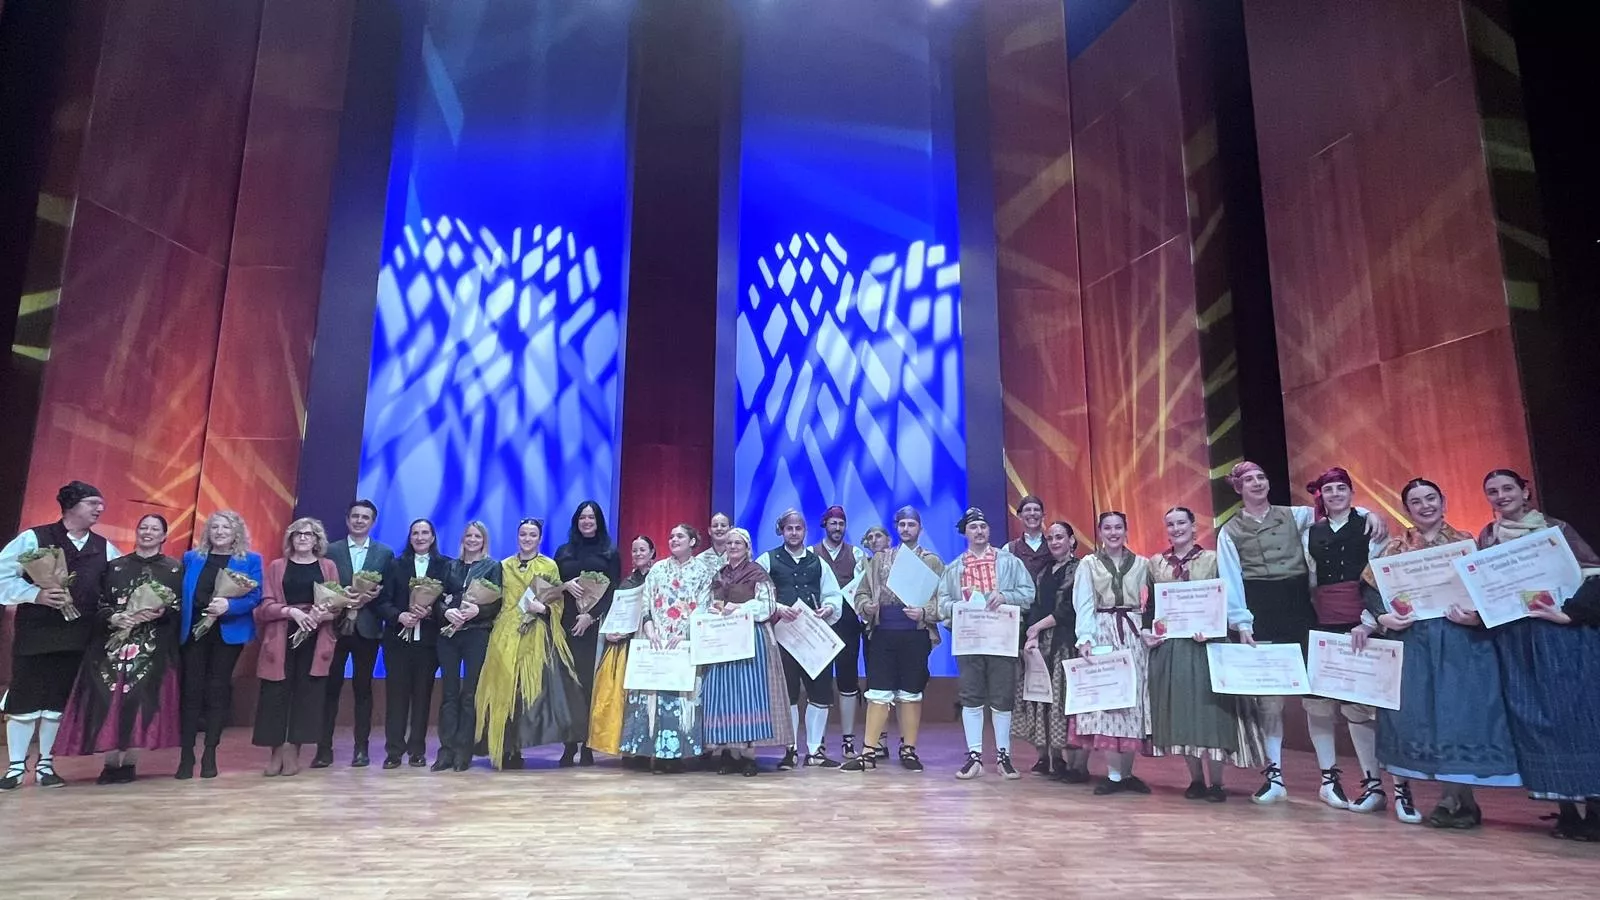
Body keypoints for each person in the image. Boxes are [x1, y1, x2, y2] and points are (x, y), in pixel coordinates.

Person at [1351, 477, 1520, 828]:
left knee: (1458, 718)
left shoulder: (1466, 545)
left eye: (1431, 498)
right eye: (1416, 501)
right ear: (1406, 509)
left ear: (1444, 502)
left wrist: (1476, 618)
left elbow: (1493, 591)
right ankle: (1450, 799)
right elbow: (1369, 589)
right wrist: (1384, 617)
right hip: (1416, 642)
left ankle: (1463, 800)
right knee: (1427, 719)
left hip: (1461, 644)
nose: (1425, 505)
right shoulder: (1395, 549)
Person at [1216, 460, 1384, 804]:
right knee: (1270, 700)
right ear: (1239, 489)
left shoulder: (1297, 516)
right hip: (1261, 611)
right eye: (1249, 480)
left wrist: (1369, 513)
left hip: (1300, 609)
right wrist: (1242, 623)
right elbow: (1231, 579)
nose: (1258, 483)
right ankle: (1274, 777)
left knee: (1316, 698)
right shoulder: (1229, 531)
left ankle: (1328, 779)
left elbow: (1339, 511)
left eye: (1262, 477)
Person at [1475, 468, 1600, 840]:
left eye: (1507, 488)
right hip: (1516, 639)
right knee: (1534, 720)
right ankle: (1564, 808)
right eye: (1493, 491)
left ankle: (1594, 808)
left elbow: (1593, 573)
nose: (1501, 496)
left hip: (1561, 639)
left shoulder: (1554, 529)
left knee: (1577, 719)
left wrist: (1570, 614)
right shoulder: (1487, 536)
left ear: (1524, 490)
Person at [0, 481, 121, 791]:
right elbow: (2, 574)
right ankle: (15, 767)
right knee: (25, 700)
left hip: (79, 636)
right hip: (36, 633)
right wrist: (34, 594)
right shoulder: (34, 538)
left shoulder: (104, 547)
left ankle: (45, 765)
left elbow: (117, 586)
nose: (99, 508)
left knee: (57, 703)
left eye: (100, 503)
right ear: (71, 506)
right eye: (93, 502)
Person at [1144, 507, 1262, 801]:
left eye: (1181, 522)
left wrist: (1218, 627)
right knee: (1182, 713)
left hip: (1208, 644)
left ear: (1194, 526)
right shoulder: (1156, 564)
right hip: (1173, 648)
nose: (1176, 528)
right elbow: (1151, 609)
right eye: (1170, 524)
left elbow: (1227, 598)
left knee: (1212, 714)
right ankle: (1195, 779)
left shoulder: (1213, 559)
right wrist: (1150, 631)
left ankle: (1218, 782)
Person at [57, 513, 178, 785]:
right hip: (112, 647)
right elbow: (97, 603)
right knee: (109, 702)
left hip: (152, 648)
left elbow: (179, 608)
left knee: (141, 702)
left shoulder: (174, 569)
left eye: (154, 529)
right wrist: (113, 617)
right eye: (143, 527)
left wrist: (161, 613)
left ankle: (131, 763)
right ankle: (110, 763)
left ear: (163, 536)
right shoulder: (115, 566)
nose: (147, 532)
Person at [1301, 468, 1390, 811]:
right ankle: (1328, 778)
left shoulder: (1370, 525)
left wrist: (1369, 621)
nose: (1335, 493)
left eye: (1342, 488)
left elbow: (1379, 572)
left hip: (1361, 621)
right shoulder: (1311, 532)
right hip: (1323, 622)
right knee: (1319, 703)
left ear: (1352, 492)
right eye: (1328, 489)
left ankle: (1373, 784)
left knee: (1361, 706)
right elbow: (1309, 578)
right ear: (1320, 495)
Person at [477, 518, 588, 768]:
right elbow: (495, 598)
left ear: (540, 539)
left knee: (527, 692)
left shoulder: (549, 565)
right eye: (523, 534)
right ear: (518, 537)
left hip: (535, 633)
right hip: (505, 632)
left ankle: (521, 745)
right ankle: (506, 748)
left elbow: (557, 600)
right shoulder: (503, 565)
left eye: (532, 535)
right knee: (504, 689)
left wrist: (545, 609)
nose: (527, 539)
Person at [844, 506, 943, 772]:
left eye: (912, 524)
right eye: (902, 525)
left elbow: (943, 601)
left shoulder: (932, 561)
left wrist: (924, 612)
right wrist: (867, 607)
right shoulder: (879, 559)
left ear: (919, 529)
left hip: (915, 634)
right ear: (896, 529)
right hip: (883, 634)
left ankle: (908, 749)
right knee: (878, 691)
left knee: (911, 692)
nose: (907, 529)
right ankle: (868, 752)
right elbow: (861, 593)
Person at [938, 507, 1034, 781]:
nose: (979, 531)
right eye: (973, 528)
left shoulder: (1008, 562)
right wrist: (960, 605)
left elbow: (1028, 593)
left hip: (1001, 638)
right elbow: (941, 603)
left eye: (982, 526)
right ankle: (975, 755)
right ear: (965, 533)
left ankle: (1004, 755)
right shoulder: (955, 567)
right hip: (969, 640)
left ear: (988, 530)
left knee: (1002, 696)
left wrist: (1005, 596)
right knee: (971, 695)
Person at [176, 509, 263, 780]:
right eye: (215, 527)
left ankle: (210, 754)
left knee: (217, 690)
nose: (220, 532)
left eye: (226, 527)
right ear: (208, 532)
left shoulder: (250, 560)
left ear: (236, 532)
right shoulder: (192, 558)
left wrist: (230, 605)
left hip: (228, 634)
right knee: (191, 692)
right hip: (194, 633)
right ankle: (186, 755)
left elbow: (256, 596)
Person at [757, 509, 848, 769]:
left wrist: (828, 608)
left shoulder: (817, 562)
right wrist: (776, 608)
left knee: (820, 692)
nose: (794, 533)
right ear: (781, 531)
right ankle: (791, 749)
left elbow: (832, 593)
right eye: (789, 528)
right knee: (789, 694)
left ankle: (815, 750)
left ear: (805, 531)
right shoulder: (767, 560)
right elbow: (759, 595)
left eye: (798, 528)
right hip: (783, 638)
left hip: (813, 637)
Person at [251, 518, 340, 777]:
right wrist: (291, 612)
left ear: (317, 540)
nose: (303, 538)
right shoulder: (277, 566)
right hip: (281, 635)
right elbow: (264, 606)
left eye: (309, 534)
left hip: (315, 637)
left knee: (306, 694)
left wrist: (320, 615)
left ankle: (293, 750)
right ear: (290, 539)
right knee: (276, 694)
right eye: (298, 534)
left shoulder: (328, 566)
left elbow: (337, 604)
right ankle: (276, 751)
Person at [1072, 511, 1152, 795]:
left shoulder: (1142, 563)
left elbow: (1154, 601)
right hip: (1103, 630)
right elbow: (1083, 602)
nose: (1113, 532)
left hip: (1132, 632)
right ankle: (1114, 774)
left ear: (1126, 530)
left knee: (1132, 702)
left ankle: (1128, 773)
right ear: (1100, 531)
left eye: (1118, 527)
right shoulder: (1089, 563)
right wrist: (1085, 637)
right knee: (1107, 701)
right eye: (1108, 528)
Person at [620, 524, 711, 772]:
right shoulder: (658, 570)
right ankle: (644, 751)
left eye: (680, 536)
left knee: (679, 696)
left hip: (684, 642)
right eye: (670, 536)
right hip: (656, 640)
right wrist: (648, 627)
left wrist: (684, 633)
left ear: (693, 541)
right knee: (651, 695)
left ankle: (674, 755)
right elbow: (646, 601)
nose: (673, 539)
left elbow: (704, 606)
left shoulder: (703, 572)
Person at [702, 528, 794, 775]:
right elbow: (712, 602)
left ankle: (749, 754)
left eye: (738, 543)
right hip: (724, 638)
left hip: (751, 638)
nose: (732, 546)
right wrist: (714, 611)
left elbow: (768, 606)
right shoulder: (720, 575)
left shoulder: (757, 573)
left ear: (747, 547)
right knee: (726, 694)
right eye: (729, 542)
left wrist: (741, 608)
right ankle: (729, 752)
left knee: (749, 693)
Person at [313, 499, 394, 769]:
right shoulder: (330, 550)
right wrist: (341, 597)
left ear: (373, 522)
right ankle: (324, 749)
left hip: (367, 629)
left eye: (365, 517)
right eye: (355, 516)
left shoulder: (384, 553)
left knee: (363, 689)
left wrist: (371, 597)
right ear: (348, 520)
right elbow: (323, 585)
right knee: (329, 689)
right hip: (334, 627)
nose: (360, 521)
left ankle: (362, 749)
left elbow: (387, 591)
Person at [374, 518, 451, 768]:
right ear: (410, 537)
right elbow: (382, 601)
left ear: (432, 537)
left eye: (425, 532)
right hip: (397, 642)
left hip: (429, 643)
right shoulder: (395, 565)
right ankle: (394, 751)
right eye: (415, 533)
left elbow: (449, 601)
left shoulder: (445, 565)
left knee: (422, 696)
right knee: (396, 697)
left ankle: (417, 749)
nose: (420, 537)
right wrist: (399, 616)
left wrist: (431, 613)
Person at [553, 501, 623, 768]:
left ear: (599, 521)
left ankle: (588, 745)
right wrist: (563, 585)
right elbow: (552, 586)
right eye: (582, 517)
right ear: (576, 521)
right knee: (568, 685)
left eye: (591, 517)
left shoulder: (609, 551)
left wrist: (591, 616)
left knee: (589, 686)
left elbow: (614, 589)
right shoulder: (564, 551)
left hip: (594, 626)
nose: (586, 521)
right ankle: (568, 744)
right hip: (565, 623)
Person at [1017, 520, 1082, 780]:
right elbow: (1036, 606)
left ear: (1071, 540)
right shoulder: (1043, 572)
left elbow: (1068, 608)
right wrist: (1030, 635)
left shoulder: (1079, 569)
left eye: (1060, 537)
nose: (1055, 542)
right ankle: (1044, 756)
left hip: (1065, 642)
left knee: (1061, 700)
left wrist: (1037, 628)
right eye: (1051, 538)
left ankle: (1063, 757)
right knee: (1040, 698)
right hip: (1041, 643)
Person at [434, 521, 501, 772]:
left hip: (476, 634)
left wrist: (478, 611)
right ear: (463, 539)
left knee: (470, 694)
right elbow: (436, 599)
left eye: (477, 536)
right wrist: (446, 611)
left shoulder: (493, 567)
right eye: (469, 535)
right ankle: (446, 751)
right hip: (449, 635)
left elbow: (497, 602)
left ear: (484, 540)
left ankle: (464, 751)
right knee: (449, 693)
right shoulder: (449, 565)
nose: (473, 539)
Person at [590, 535, 655, 768]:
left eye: (642, 550)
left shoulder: (660, 577)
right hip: (626, 645)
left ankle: (649, 748)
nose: (638, 554)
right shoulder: (627, 583)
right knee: (626, 699)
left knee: (648, 698)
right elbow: (617, 613)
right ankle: (629, 748)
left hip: (651, 643)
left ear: (652, 552)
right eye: (634, 550)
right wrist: (610, 633)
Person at [814, 505, 868, 759]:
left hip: (848, 625)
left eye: (841, 524)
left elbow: (864, 588)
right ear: (825, 524)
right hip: (819, 626)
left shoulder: (856, 553)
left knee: (848, 681)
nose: (837, 528)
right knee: (820, 682)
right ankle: (819, 741)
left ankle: (848, 739)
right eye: (833, 523)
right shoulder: (812, 553)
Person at [1005, 495, 1054, 580]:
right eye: (1028, 510)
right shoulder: (1009, 550)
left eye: (1036, 510)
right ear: (1019, 515)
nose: (1032, 513)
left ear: (1043, 516)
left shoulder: (1055, 546)